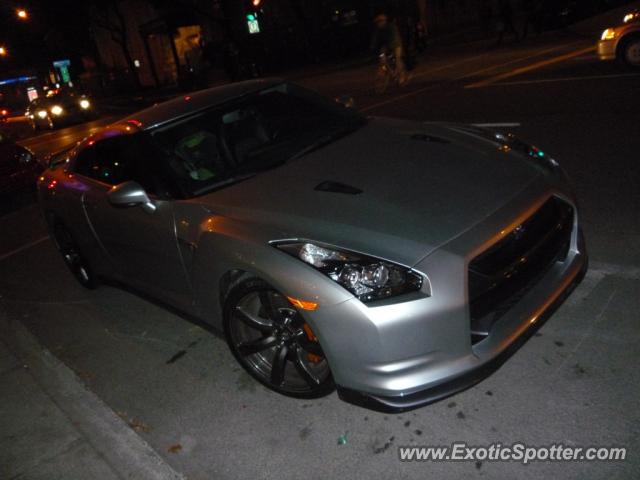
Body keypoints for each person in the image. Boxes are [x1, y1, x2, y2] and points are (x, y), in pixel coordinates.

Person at [370, 13, 408, 85]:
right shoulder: (378, 30)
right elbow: (375, 39)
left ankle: (401, 76)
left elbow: (394, 38)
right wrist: (373, 46)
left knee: (397, 59)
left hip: (396, 44)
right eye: (377, 22)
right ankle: (390, 72)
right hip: (387, 46)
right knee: (382, 57)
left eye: (379, 21)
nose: (378, 24)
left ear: (384, 21)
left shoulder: (391, 27)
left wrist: (388, 48)